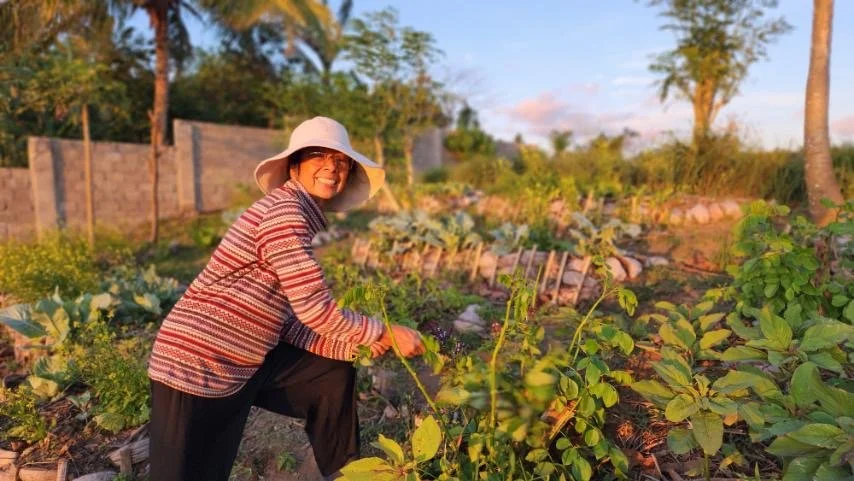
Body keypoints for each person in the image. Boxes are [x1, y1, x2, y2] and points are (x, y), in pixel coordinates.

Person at [146, 116, 425, 481]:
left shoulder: (297, 216)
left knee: (329, 374)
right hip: (195, 364)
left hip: (243, 360)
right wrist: (383, 332)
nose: (331, 168)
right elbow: (314, 309)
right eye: (318, 157)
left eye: (341, 162)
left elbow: (287, 321)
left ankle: (347, 474)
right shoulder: (285, 214)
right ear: (295, 166)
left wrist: (348, 346)